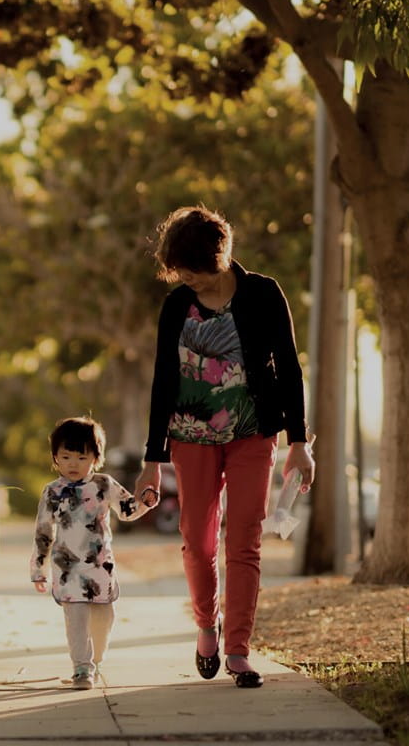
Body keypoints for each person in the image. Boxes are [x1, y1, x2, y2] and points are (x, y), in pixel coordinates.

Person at [134, 204, 314, 689]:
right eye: (182, 276)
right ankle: (205, 626)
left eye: (194, 274)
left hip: (254, 432)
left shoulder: (263, 293)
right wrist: (152, 460)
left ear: (219, 258)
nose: (188, 282)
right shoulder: (176, 306)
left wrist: (299, 441)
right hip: (189, 437)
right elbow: (163, 381)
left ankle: (238, 649)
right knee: (197, 539)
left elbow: (290, 370)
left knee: (244, 540)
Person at [30, 416, 158, 690]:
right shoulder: (52, 492)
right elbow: (43, 532)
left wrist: (146, 502)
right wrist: (38, 569)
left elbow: (127, 511)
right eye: (65, 457)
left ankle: (96, 659)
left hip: (100, 567)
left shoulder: (104, 484)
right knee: (75, 620)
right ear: (55, 458)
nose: (73, 464)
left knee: (103, 619)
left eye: (81, 457)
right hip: (67, 570)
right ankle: (81, 668)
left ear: (95, 458)